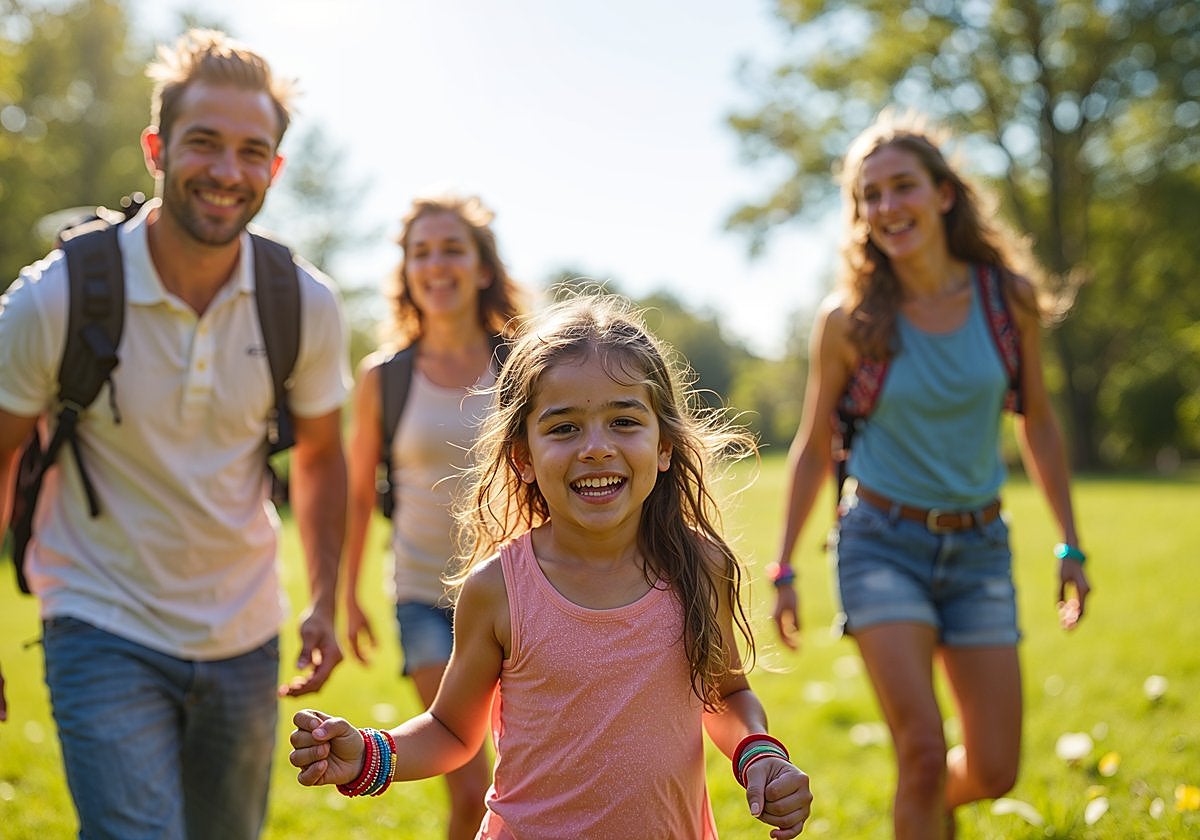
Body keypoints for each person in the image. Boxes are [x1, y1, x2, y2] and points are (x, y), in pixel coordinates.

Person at [291, 294, 814, 839]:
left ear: (664, 445)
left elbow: (725, 694)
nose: (596, 448)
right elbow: (451, 730)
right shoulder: (498, 589)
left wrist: (759, 755)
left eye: (624, 421)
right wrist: (369, 755)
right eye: (564, 428)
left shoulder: (700, 568)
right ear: (524, 457)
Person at [0, 29, 351, 839]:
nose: (227, 171)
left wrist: (326, 599)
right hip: (99, 618)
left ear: (274, 169)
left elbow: (322, 457)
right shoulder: (54, 297)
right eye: (204, 142)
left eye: (251, 151)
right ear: (156, 148)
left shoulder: (305, 304)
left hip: (244, 630)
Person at [769, 109, 1091, 840]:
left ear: (944, 194)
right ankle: (921, 804)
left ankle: (927, 812)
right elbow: (814, 446)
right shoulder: (849, 320)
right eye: (870, 196)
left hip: (979, 548)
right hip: (880, 543)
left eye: (902, 186)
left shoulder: (1005, 299)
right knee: (919, 751)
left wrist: (1071, 543)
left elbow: (1038, 422)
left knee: (996, 770)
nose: (887, 206)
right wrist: (783, 566)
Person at [342, 192, 525, 839]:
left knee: (525, 776)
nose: (436, 264)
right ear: (406, 271)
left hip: (519, 595)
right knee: (470, 784)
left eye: (452, 249)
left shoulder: (523, 367)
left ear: (482, 267)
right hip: (423, 595)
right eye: (421, 252)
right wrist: (346, 598)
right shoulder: (383, 378)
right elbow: (357, 495)